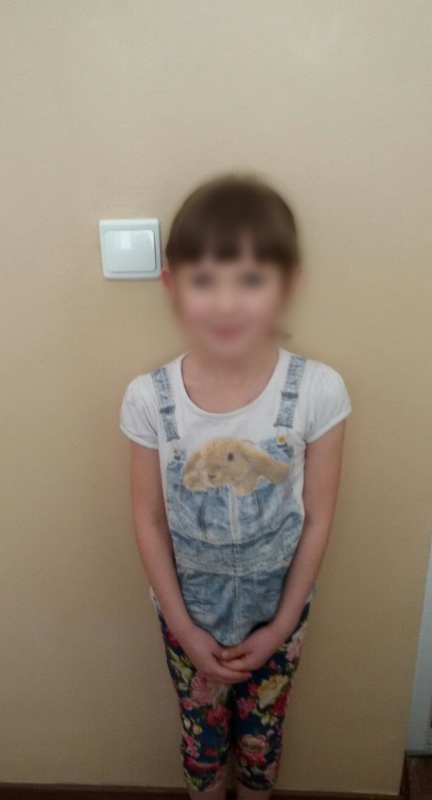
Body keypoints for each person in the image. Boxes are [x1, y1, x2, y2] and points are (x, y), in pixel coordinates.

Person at [120, 175, 351, 799]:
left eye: (250, 279)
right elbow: (149, 521)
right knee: (202, 745)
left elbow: (318, 519)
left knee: (261, 744)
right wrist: (185, 630)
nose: (226, 304)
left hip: (281, 616)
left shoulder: (319, 391)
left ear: (287, 283)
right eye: (204, 280)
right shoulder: (148, 399)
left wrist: (279, 628)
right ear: (172, 284)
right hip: (186, 617)